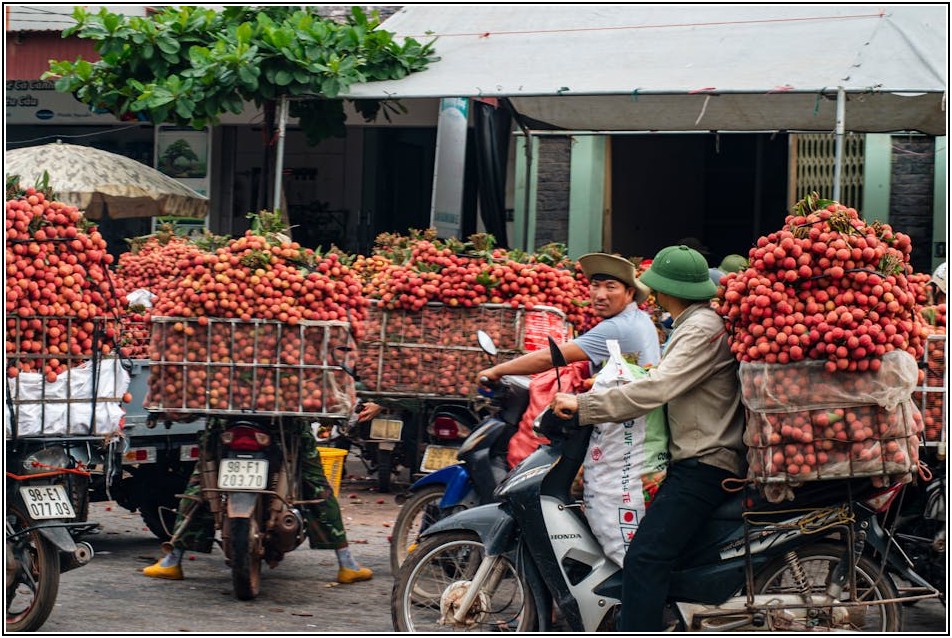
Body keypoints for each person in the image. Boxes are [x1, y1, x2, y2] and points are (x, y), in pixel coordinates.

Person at [551, 244, 746, 632]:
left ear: (663, 290)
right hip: (693, 457)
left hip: (706, 462)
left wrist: (587, 405)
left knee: (645, 557)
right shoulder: (691, 324)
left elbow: (659, 388)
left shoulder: (701, 328)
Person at [143, 417, 373, 584]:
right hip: (283, 420)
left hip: (227, 416)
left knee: (202, 481)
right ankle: (346, 563)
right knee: (316, 485)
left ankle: (173, 560)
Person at [477, 252, 661, 387]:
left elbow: (550, 357)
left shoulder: (617, 327)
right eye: (595, 286)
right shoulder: (641, 318)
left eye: (611, 287)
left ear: (629, 293)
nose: (600, 295)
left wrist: (497, 370)